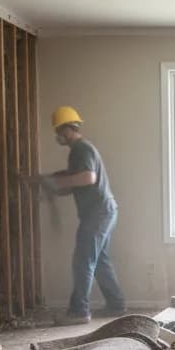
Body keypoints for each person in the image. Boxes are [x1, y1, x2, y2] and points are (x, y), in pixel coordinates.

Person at [29, 106, 126, 324]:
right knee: (100, 260)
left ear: (66, 128)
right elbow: (74, 180)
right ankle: (116, 304)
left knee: (83, 260)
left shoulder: (81, 149)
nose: (57, 136)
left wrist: (55, 182)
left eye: (58, 131)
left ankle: (79, 311)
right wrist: (46, 180)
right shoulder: (82, 150)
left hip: (98, 213)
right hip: (106, 211)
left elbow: (87, 178)